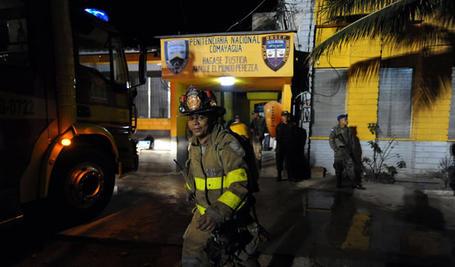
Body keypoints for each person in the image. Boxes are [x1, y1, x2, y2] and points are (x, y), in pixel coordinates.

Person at [179, 86, 259, 267]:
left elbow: (240, 185)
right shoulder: (193, 145)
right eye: (191, 118)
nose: (196, 123)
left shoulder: (226, 144)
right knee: (191, 254)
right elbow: (195, 177)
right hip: (203, 214)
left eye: (201, 117)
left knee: (243, 258)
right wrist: (190, 190)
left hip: (232, 216)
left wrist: (217, 214)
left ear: (212, 117)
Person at [329, 114, 365, 189]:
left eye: (346, 119)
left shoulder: (349, 130)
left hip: (347, 151)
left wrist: (352, 151)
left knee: (351, 168)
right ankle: (338, 184)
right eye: (345, 119)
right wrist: (335, 149)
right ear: (340, 121)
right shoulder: (335, 129)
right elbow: (331, 140)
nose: (347, 121)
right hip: (339, 151)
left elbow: (352, 142)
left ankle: (353, 183)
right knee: (338, 168)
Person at [275, 111, 294, 181]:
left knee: (289, 162)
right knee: (279, 162)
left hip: (289, 147)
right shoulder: (279, 126)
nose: (285, 117)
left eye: (286, 116)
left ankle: (290, 176)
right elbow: (277, 138)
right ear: (281, 117)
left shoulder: (291, 125)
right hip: (281, 147)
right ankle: (279, 176)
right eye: (284, 116)